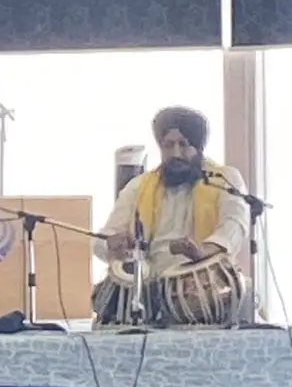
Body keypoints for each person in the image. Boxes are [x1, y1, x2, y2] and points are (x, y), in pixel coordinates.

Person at [95, 106, 248, 276]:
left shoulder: (224, 179)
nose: (176, 153)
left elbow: (235, 224)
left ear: (198, 148)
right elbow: (102, 239)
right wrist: (113, 243)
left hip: (204, 278)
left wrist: (204, 251)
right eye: (168, 145)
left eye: (183, 144)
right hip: (149, 283)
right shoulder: (138, 186)